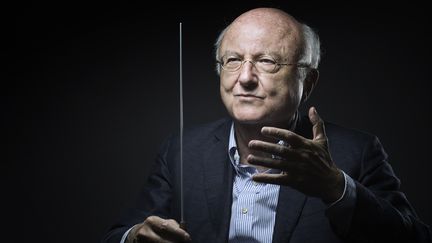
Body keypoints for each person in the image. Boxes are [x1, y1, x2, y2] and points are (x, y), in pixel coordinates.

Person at [102, 7, 431, 243]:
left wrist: (336, 187)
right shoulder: (182, 149)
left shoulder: (357, 152)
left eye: (267, 62)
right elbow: (118, 235)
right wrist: (134, 238)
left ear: (308, 80)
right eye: (233, 60)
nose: (245, 78)